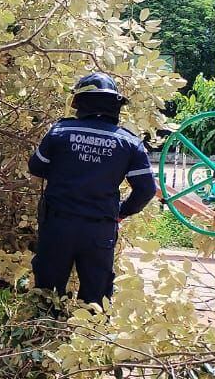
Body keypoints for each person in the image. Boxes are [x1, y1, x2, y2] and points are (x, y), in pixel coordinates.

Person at [27, 73, 157, 306]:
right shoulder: (129, 142)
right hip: (99, 231)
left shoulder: (60, 132)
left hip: (57, 226)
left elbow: (36, 167)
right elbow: (146, 190)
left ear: (79, 102)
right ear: (115, 105)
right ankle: (89, 329)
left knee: (47, 295)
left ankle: (46, 326)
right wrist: (122, 212)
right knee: (95, 302)